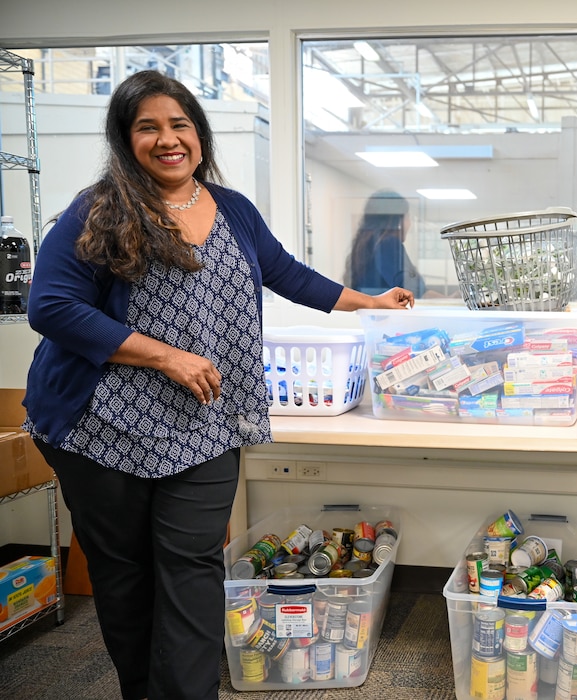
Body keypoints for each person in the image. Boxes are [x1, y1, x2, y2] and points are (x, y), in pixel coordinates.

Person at [21, 70, 414, 700]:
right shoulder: (98, 209)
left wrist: (371, 301)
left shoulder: (231, 210)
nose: (167, 139)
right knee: (125, 578)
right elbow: (53, 307)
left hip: (206, 423)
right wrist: (166, 357)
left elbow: (289, 275)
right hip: (101, 427)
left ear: (199, 136)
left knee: (192, 570)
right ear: (126, 139)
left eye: (179, 125)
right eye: (147, 127)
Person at [344, 188, 437, 298]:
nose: (409, 223)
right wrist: (448, 300)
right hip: (387, 313)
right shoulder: (388, 245)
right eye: (407, 216)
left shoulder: (365, 245)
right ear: (397, 220)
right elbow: (413, 291)